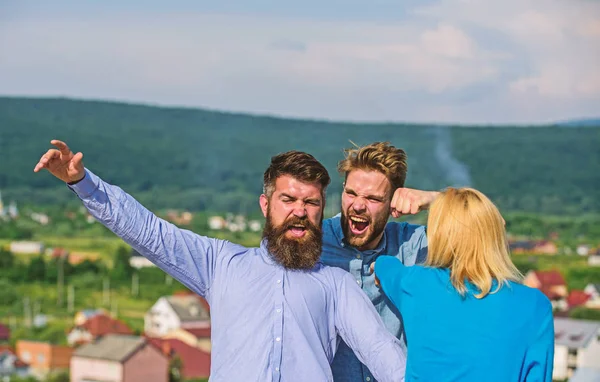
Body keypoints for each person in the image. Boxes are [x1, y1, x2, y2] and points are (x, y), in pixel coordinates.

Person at [34, 140, 406, 382]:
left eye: (310, 203)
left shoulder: (336, 285)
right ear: (265, 205)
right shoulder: (220, 264)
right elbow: (149, 232)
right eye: (288, 200)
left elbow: (383, 354)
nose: (299, 212)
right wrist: (82, 183)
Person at [373, 187, 554, 381]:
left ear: (441, 236)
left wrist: (438, 201)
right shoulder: (535, 305)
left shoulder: (415, 284)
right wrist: (437, 199)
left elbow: (382, 265)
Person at [321, 142, 439, 382]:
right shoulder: (314, 242)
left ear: (393, 203)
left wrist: (434, 200)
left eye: (373, 198)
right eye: (351, 193)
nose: (358, 205)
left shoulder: (412, 244)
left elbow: (488, 229)